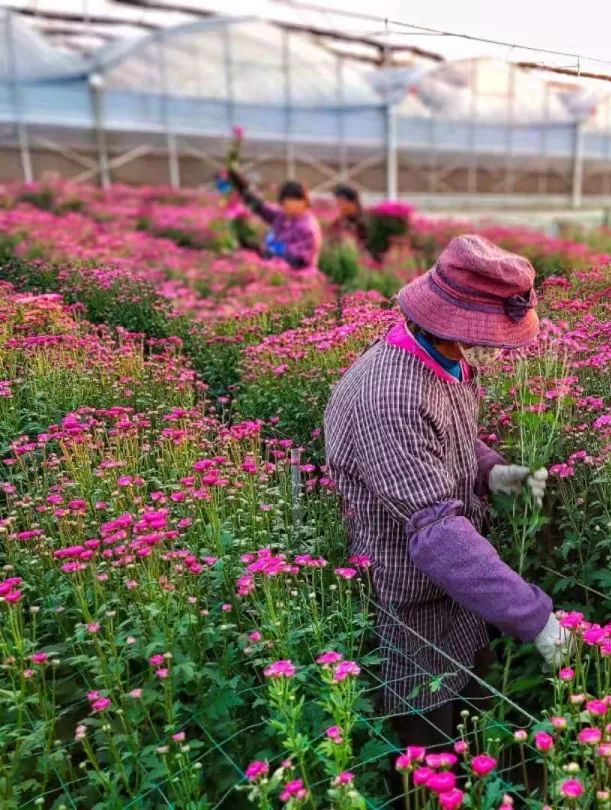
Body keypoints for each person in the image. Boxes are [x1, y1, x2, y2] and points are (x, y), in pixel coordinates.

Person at [323, 234, 570, 749]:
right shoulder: (391, 395)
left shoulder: (441, 359)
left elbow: (446, 440)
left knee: (478, 733)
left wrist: (491, 472)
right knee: (428, 755)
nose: (499, 345)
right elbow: (435, 534)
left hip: (460, 593)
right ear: (456, 321)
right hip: (412, 605)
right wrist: (535, 618)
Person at [226, 168, 322, 271]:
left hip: (300, 278)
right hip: (275, 271)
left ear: (303, 201)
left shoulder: (307, 228)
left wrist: (263, 252)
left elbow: (296, 259)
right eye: (283, 204)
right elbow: (261, 208)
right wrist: (243, 190)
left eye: (288, 203)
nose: (284, 207)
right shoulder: (284, 216)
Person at [328, 183, 368, 251]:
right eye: (337, 202)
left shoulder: (364, 223)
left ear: (353, 202)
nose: (338, 205)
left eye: (340, 202)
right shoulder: (338, 222)